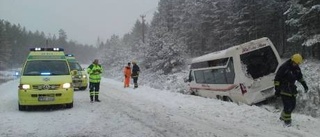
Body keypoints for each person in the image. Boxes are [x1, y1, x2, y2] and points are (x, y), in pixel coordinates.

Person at [274, 53, 308, 126]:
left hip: (292, 89)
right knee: (288, 106)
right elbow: (277, 78)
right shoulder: (284, 67)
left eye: (298, 64)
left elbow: (300, 77)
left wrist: (305, 85)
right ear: (292, 61)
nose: (296, 65)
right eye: (296, 63)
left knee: (293, 105)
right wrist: (277, 89)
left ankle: (283, 117)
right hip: (284, 89)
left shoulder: (297, 68)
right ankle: (287, 122)